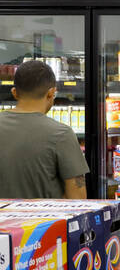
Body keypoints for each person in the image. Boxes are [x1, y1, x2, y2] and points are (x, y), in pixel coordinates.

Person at [0, 59, 89, 199]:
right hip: (46, 221)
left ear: (14, 92)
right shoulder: (61, 134)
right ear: (51, 93)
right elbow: (77, 197)